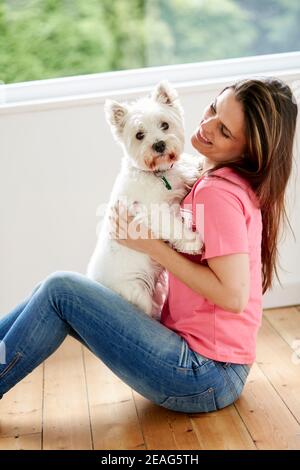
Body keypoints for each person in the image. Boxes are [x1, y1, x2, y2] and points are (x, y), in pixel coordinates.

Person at [0, 78, 298, 413]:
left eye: (224, 131)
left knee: (59, 290)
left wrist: (151, 246)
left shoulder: (217, 194)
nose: (207, 125)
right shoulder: (211, 178)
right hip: (212, 367)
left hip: (205, 374)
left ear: (247, 149)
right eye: (214, 108)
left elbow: (233, 297)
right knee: (50, 291)